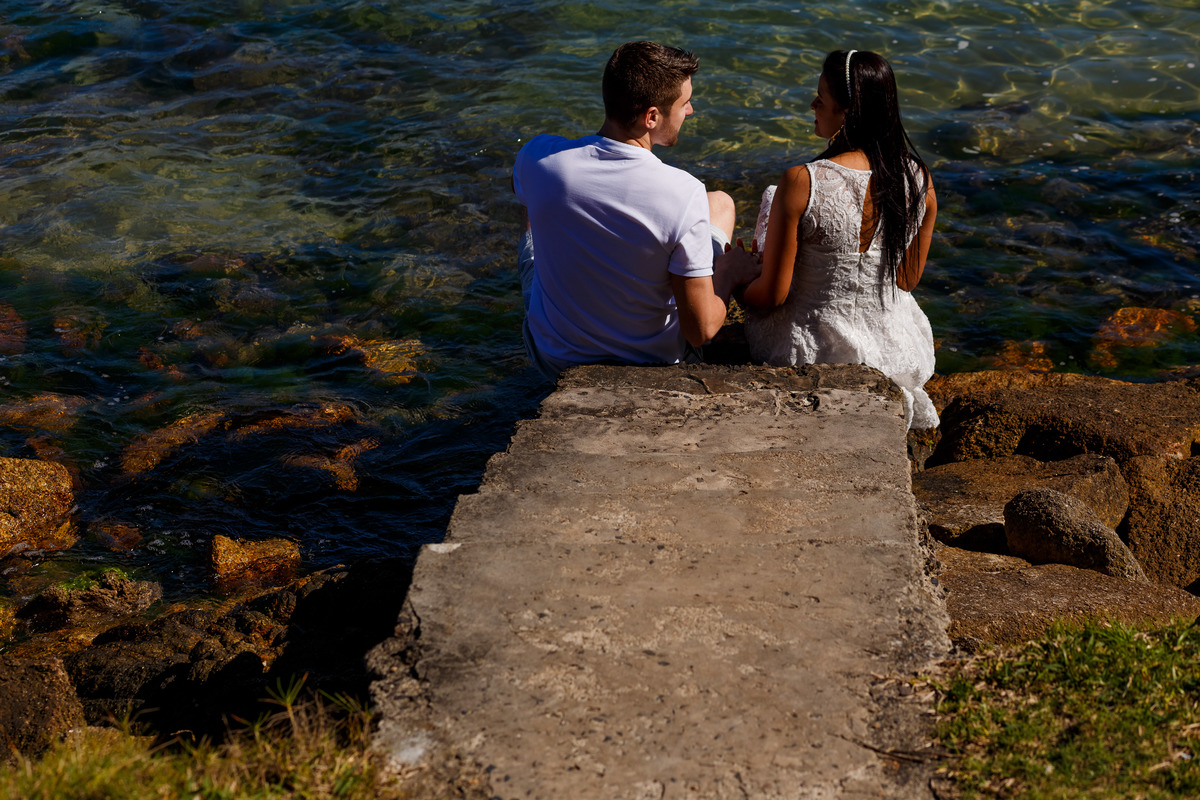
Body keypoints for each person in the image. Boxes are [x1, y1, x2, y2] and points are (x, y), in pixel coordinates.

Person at [513, 41, 759, 381]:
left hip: (553, 353)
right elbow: (700, 331)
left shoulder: (538, 156)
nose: (690, 111)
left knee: (534, 227)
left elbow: (524, 199)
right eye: (685, 103)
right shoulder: (681, 191)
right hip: (648, 362)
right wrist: (730, 271)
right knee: (720, 204)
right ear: (652, 117)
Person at [741, 49, 939, 429]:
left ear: (849, 111)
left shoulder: (804, 181)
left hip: (808, 351)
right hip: (894, 349)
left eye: (821, 98)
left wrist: (733, 283)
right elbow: (906, 281)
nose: (812, 104)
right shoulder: (920, 182)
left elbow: (772, 297)